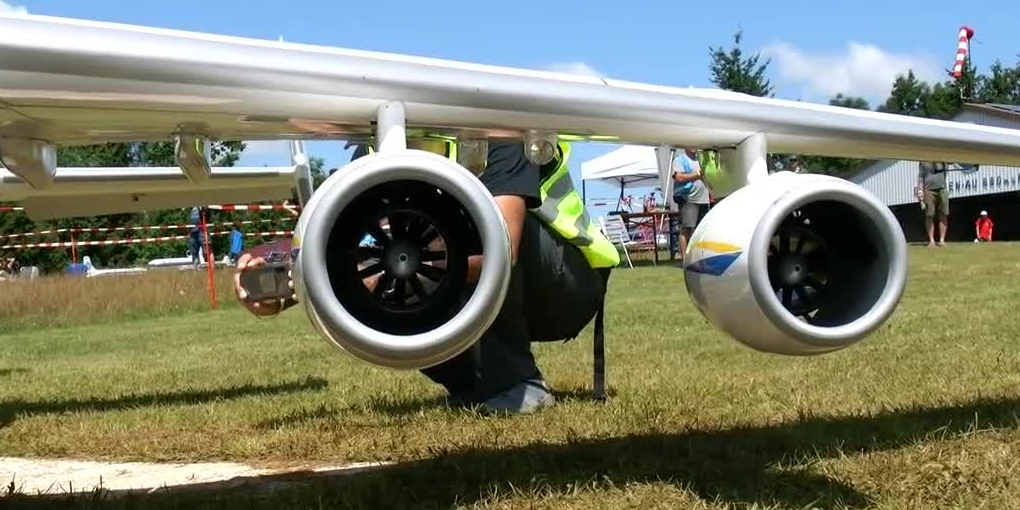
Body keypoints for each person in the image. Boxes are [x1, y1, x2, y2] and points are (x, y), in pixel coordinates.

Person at [234, 139, 619, 414]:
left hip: (566, 284)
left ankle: (517, 385)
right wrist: (282, 267)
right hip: (477, 272)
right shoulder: (373, 152)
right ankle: (476, 385)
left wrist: (394, 274)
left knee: (485, 238)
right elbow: (341, 239)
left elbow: (505, 250)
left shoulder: (495, 133)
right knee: (399, 281)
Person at [671, 148, 712, 259]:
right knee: (687, 229)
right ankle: (685, 258)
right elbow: (678, 177)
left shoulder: (701, 159)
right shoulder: (680, 160)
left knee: (701, 230)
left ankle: (698, 257)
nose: (694, 147)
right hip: (689, 199)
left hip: (703, 200)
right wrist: (697, 175)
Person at [917, 161, 950, 246]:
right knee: (929, 214)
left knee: (943, 213)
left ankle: (942, 240)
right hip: (928, 190)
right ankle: (931, 240)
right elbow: (920, 176)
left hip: (942, 189)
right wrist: (920, 191)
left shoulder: (944, 161)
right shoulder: (923, 161)